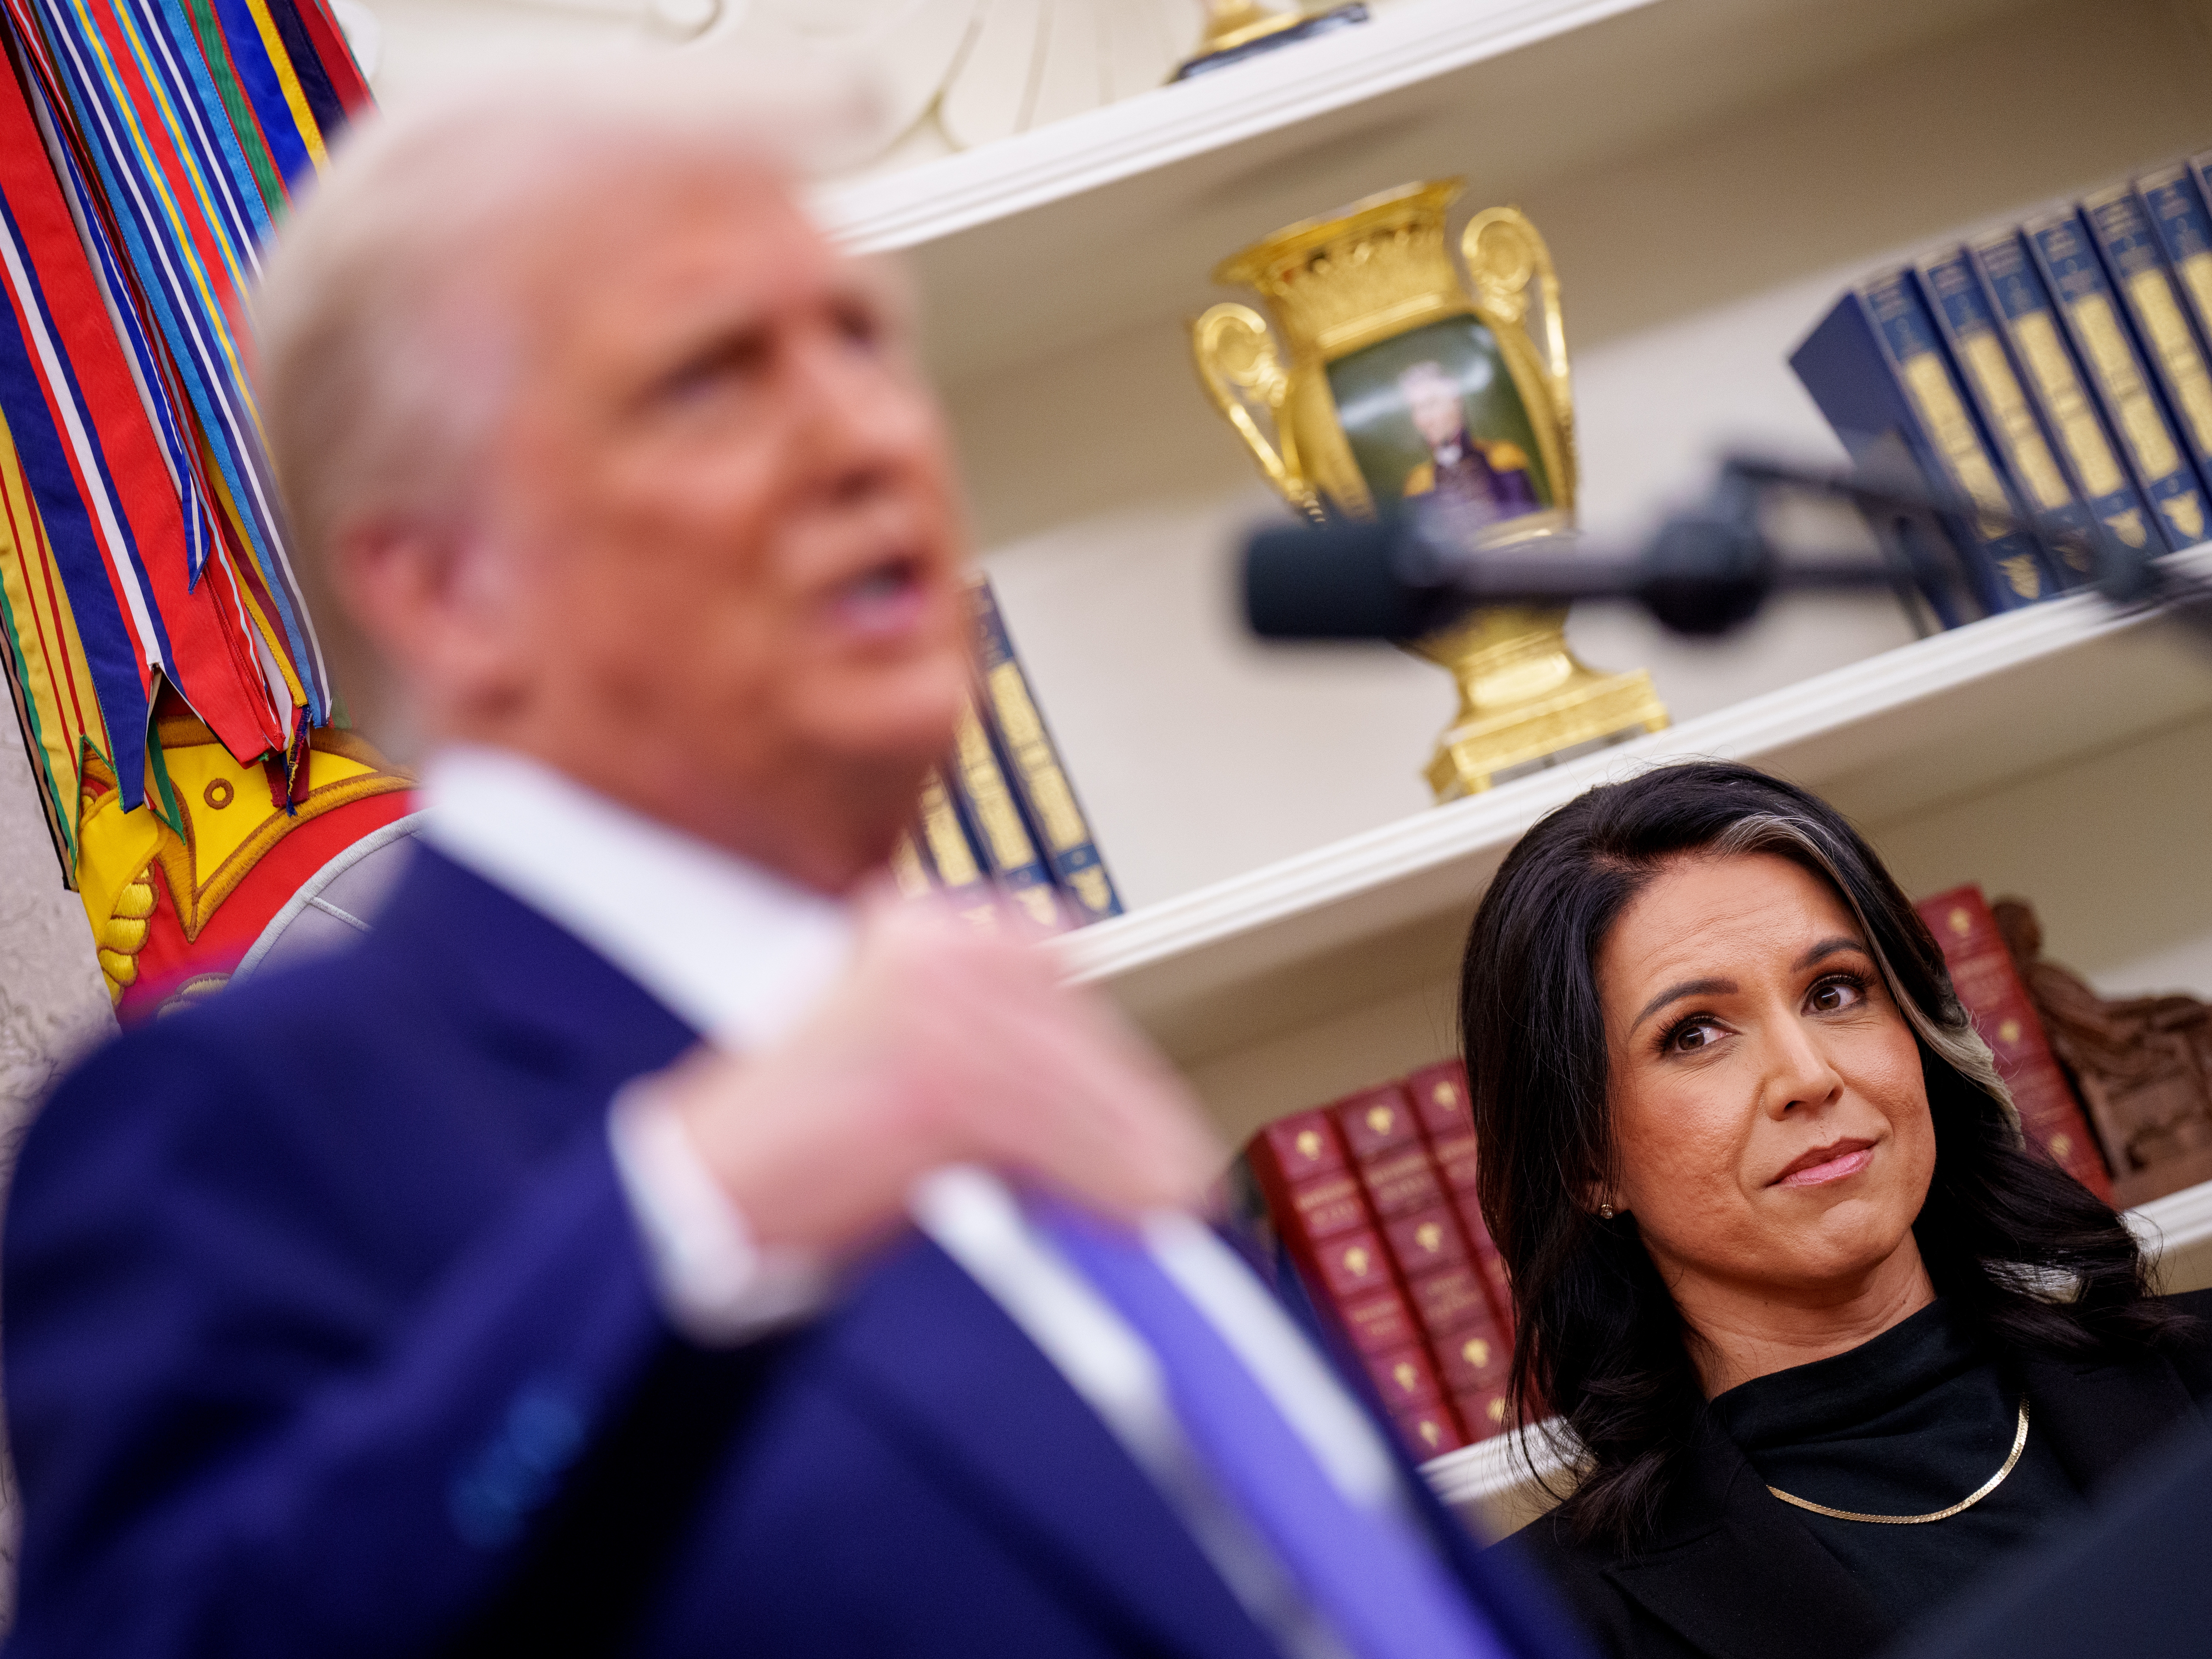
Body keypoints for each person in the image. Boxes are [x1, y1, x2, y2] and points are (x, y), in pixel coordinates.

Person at [0, 70, 1582, 1659]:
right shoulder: (252, 1121)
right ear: (442, 587)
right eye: (708, 376)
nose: (863, 433)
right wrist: (700, 1209)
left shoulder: (999, 1051)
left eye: (862, 339)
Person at [1458, 759, 2212, 1659]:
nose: (1808, 1075)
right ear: (1585, 1161)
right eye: (1693, 1032)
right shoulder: (1532, 1626)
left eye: (1835, 990)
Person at [1396, 360, 1540, 521]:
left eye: (1431, 404)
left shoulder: (1503, 458)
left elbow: (1528, 523)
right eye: (1417, 409)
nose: (1424, 420)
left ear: (1456, 404)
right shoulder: (1418, 485)